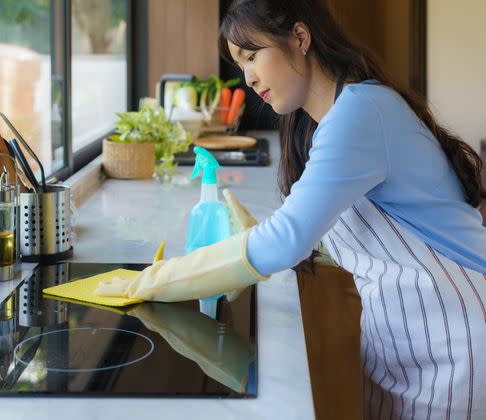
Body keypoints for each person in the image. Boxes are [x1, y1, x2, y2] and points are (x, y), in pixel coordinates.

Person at [96, 0, 486, 418]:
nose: (248, 77)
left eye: (252, 55)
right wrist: (269, 240)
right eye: (239, 63)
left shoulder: (360, 112)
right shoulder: (334, 119)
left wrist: (158, 279)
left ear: (300, 38)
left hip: (453, 332)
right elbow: (370, 237)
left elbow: (285, 243)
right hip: (406, 339)